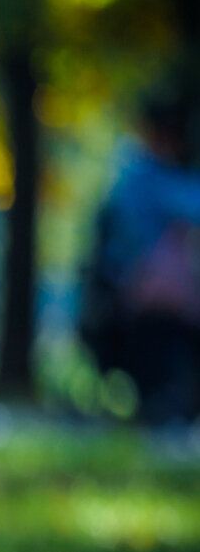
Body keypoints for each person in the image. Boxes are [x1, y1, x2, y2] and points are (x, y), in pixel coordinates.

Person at [81, 90, 200, 427]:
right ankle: (164, 406)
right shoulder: (144, 178)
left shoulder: (134, 175)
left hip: (146, 298)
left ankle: (168, 405)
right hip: (145, 298)